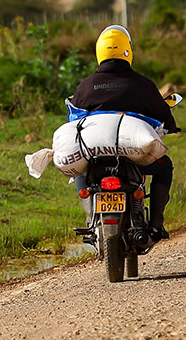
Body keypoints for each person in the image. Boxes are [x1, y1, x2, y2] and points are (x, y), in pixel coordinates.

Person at [71, 25, 179, 240]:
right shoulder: (143, 85)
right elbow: (162, 113)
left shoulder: (85, 86)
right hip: (134, 156)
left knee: (80, 172)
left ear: (99, 51)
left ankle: (90, 218)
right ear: (128, 51)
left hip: (96, 157)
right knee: (164, 166)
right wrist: (172, 126)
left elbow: (74, 119)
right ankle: (156, 223)